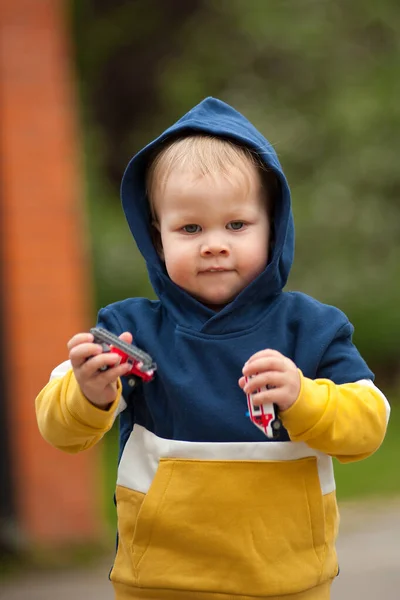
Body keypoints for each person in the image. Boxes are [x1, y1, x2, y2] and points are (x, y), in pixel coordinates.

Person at [35, 97, 390, 600]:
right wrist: (88, 393)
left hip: (287, 580)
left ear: (275, 228)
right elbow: (59, 432)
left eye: (237, 225)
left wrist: (304, 398)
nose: (214, 244)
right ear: (158, 239)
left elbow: (368, 427)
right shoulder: (128, 329)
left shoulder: (312, 329)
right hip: (161, 579)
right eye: (191, 228)